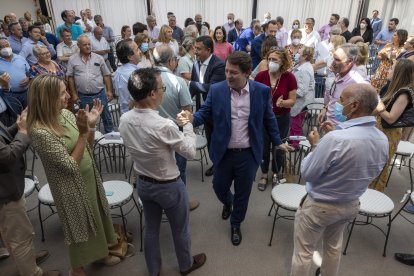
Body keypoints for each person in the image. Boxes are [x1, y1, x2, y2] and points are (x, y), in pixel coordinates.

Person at [179, 51, 291, 246]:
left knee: (243, 192)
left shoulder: (261, 91)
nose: (228, 76)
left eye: (233, 72)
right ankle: (228, 202)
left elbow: (269, 119)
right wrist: (191, 118)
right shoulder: (217, 89)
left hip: (248, 153)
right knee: (219, 187)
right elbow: (204, 112)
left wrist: (278, 141)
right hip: (223, 152)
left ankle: (236, 223)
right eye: (227, 71)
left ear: (247, 72)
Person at [290, 83, 389, 276]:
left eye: (341, 100)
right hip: (350, 203)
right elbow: (368, 169)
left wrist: (316, 146)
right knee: (333, 247)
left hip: (319, 205)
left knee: (303, 252)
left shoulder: (336, 139)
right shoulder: (381, 139)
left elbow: (308, 172)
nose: (337, 104)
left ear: (354, 106)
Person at [27, 75, 119, 276]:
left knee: (97, 216)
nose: (68, 95)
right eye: (62, 92)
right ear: (47, 98)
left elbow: (87, 147)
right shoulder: (40, 131)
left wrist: (91, 126)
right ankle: (77, 269)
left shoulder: (66, 115)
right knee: (80, 226)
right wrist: (84, 133)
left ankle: (102, 252)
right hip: (70, 187)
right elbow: (69, 166)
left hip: (88, 178)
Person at [119, 68, 206, 276]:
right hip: (168, 185)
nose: (163, 91)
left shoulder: (124, 119)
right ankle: (185, 265)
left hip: (143, 183)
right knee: (180, 228)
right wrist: (186, 125)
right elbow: (190, 152)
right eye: (162, 88)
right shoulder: (163, 125)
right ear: (152, 94)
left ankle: (154, 270)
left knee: (151, 228)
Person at [0, 87, 60, 276]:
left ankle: (26, 260)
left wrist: (17, 127)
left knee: (15, 233)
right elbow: (7, 156)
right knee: (20, 236)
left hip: (9, 188)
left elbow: (3, 139)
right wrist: (24, 132)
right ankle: (32, 272)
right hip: (5, 193)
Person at [153, 45, 199, 210]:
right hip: (175, 132)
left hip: (152, 132)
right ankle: (181, 202)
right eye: (175, 59)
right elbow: (187, 110)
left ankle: (162, 201)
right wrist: (189, 131)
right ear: (171, 61)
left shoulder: (146, 79)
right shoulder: (178, 81)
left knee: (158, 170)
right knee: (179, 171)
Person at [255, 47, 297, 190]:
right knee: (264, 148)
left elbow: (293, 100)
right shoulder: (261, 76)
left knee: (279, 148)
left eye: (275, 60)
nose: (271, 62)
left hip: (281, 118)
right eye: (269, 59)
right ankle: (264, 174)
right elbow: (254, 97)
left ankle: (275, 173)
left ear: (282, 62)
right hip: (264, 119)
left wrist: (283, 103)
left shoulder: (289, 77)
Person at [369, 59, 414, 192]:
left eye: (392, 68)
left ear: (399, 73)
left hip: (388, 134)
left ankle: (373, 195)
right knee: (372, 163)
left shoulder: (404, 94)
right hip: (380, 131)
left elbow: (391, 118)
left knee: (379, 166)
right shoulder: (391, 88)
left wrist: (379, 105)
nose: (388, 70)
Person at [189, 35, 226, 176]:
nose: (195, 51)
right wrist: (184, 101)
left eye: (198, 49)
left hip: (217, 111)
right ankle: (216, 164)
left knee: (219, 139)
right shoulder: (196, 64)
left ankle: (222, 166)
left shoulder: (219, 65)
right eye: (194, 48)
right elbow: (193, 88)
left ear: (208, 50)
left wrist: (191, 84)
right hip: (204, 111)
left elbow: (212, 88)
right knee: (210, 139)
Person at [67, 35, 114, 134]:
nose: (88, 46)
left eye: (89, 44)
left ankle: (110, 135)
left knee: (106, 116)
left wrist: (109, 90)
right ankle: (88, 139)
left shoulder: (99, 58)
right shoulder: (72, 59)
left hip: (100, 94)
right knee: (85, 119)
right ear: (78, 46)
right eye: (85, 45)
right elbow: (70, 77)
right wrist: (74, 94)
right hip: (83, 96)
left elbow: (106, 75)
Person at [317, 43, 369, 126]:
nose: (333, 62)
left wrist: (348, 128)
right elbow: (334, 98)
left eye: (337, 60)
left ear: (349, 62)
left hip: (342, 132)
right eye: (333, 58)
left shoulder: (358, 80)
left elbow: (376, 107)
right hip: (329, 126)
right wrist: (325, 109)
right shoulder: (339, 74)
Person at [290, 47, 315, 148]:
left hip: (302, 103)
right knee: (295, 123)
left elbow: (302, 90)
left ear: (304, 56)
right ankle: (294, 142)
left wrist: (289, 94)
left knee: (296, 124)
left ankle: (296, 145)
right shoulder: (302, 66)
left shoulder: (304, 69)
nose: (296, 54)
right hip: (301, 102)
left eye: (298, 53)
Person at [0, 38, 30, 108]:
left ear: (10, 46)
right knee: (16, 115)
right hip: (9, 95)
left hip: (26, 92)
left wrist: (28, 78)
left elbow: (29, 72)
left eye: (7, 45)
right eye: (1, 47)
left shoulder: (20, 58)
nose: (5, 48)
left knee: (30, 113)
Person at [113, 39, 141, 114]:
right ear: (130, 57)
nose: (140, 52)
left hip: (125, 113)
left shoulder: (118, 72)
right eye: (137, 50)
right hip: (135, 114)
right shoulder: (135, 74)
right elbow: (136, 98)